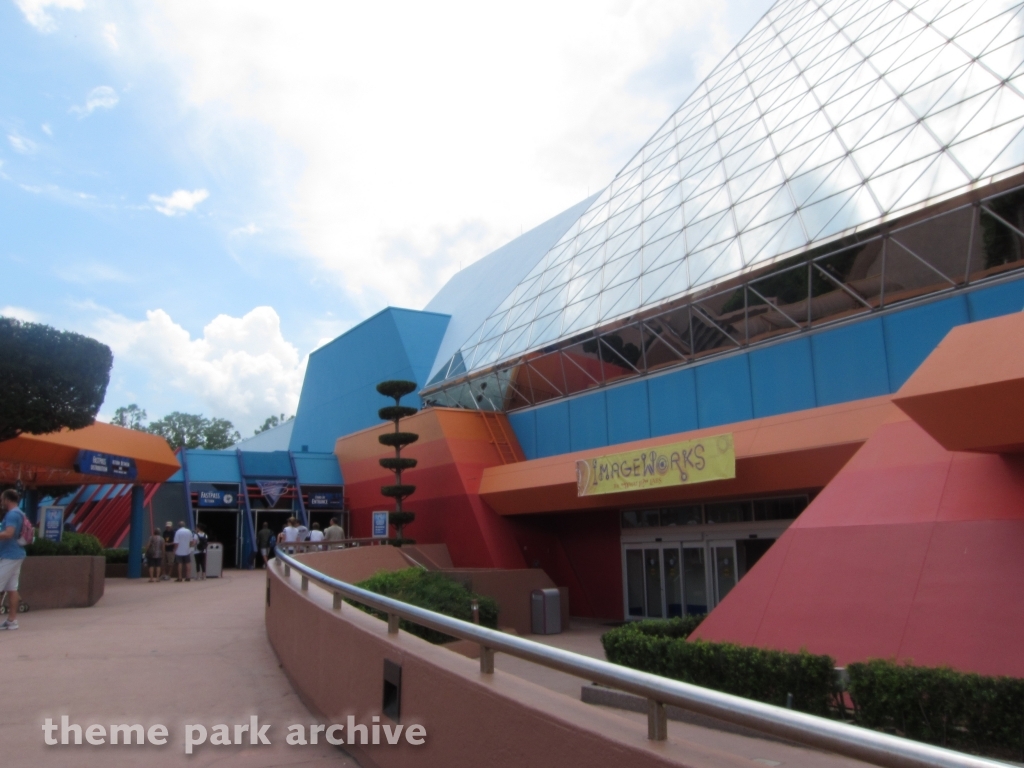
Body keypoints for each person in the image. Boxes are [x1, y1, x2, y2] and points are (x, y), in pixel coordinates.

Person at [0, 489, 27, 630]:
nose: (1, 503)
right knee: (12, 588)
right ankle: (12, 620)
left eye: (1, 499)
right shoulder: (20, 513)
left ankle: (12, 620)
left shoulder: (12, 514)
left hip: (10, 555)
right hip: (16, 554)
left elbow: (9, 533)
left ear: (7, 500)